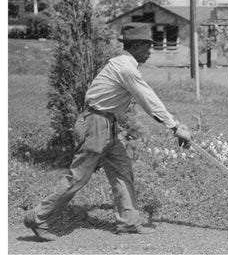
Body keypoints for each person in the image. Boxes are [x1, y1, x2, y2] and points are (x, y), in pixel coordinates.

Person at [23, 22, 192, 241]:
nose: (150, 51)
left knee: (122, 171)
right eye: (147, 46)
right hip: (95, 124)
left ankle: (129, 223)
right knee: (78, 178)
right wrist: (174, 126)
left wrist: (173, 125)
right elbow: (147, 98)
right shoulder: (126, 68)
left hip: (107, 123)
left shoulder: (125, 65)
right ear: (136, 45)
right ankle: (38, 217)